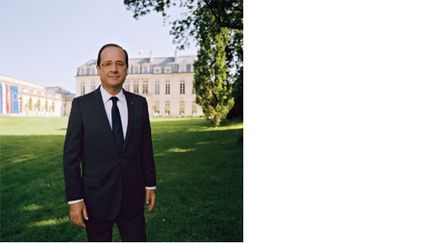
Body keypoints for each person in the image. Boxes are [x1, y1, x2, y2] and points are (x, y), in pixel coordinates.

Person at [63, 43, 156, 241]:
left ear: (127, 68)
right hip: (96, 200)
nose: (113, 69)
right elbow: (71, 157)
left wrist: (150, 184)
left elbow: (145, 148)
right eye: (107, 64)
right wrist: (75, 199)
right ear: (98, 68)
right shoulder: (81, 106)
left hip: (132, 198)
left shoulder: (139, 104)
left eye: (119, 63)